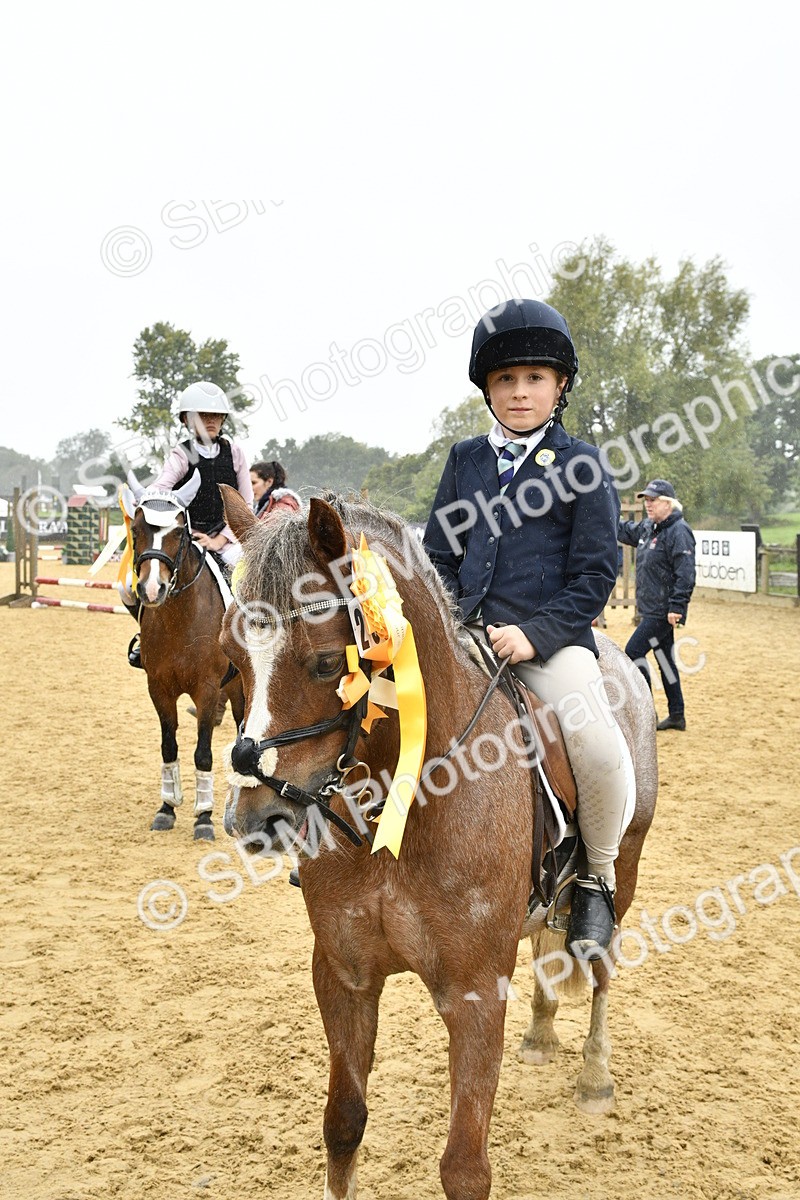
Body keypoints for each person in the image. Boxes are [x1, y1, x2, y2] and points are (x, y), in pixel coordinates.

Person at [423, 298, 627, 960]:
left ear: (560, 384)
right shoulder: (465, 460)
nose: (519, 392)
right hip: (466, 637)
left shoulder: (583, 464)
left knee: (596, 744)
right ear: (487, 388)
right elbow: (438, 557)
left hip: (549, 643)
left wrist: (533, 635)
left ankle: (595, 879)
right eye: (506, 380)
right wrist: (453, 625)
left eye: (533, 378)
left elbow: (594, 575)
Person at [124, 381, 253, 668]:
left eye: (216, 416)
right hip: (188, 538)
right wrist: (144, 503)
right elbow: (161, 490)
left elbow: (247, 503)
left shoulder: (235, 454)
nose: (211, 421)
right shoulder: (181, 455)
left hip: (227, 539)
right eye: (202, 415)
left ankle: (253, 641)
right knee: (129, 585)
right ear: (187, 420)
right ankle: (147, 637)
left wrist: (222, 539)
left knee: (249, 576)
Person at [618, 479, 696, 731]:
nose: (648, 505)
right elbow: (626, 530)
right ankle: (677, 714)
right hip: (651, 608)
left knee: (633, 653)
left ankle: (646, 713)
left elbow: (685, 573)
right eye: (646, 500)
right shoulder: (650, 528)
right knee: (665, 659)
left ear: (668, 503)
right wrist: (600, 517)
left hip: (662, 611)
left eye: (653, 500)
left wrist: (677, 606)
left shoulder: (679, 531)